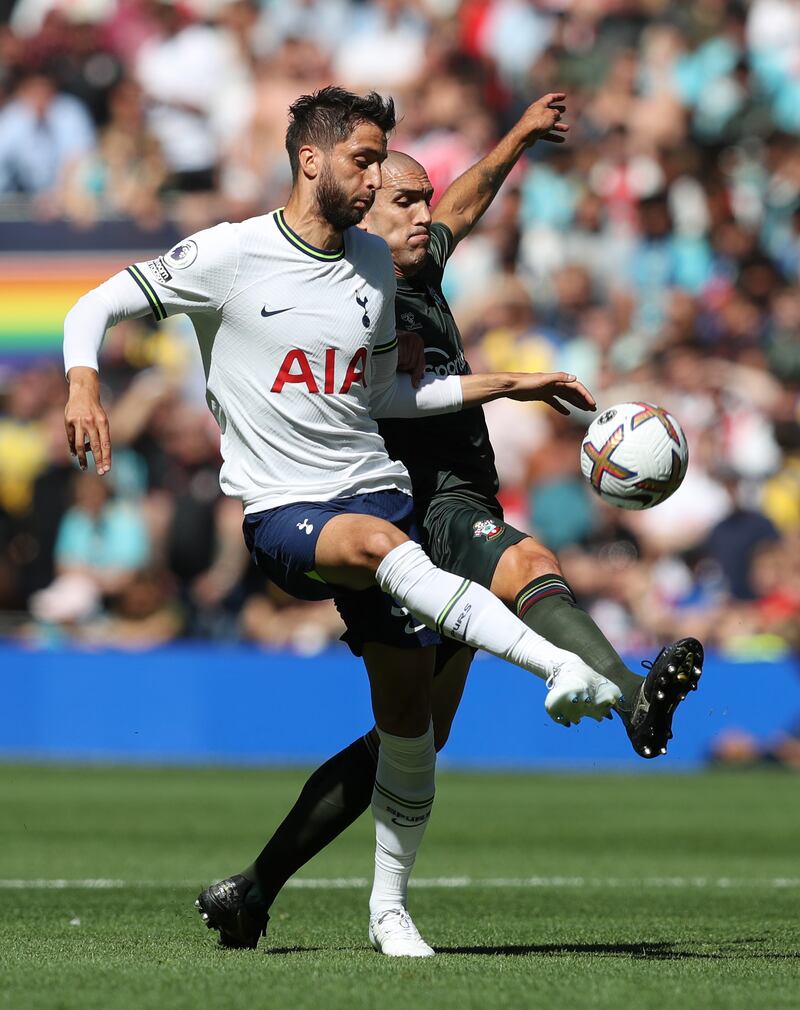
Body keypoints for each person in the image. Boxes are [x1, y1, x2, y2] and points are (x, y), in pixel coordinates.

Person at [63, 86, 622, 958]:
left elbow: (388, 396)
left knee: (412, 732)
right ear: (311, 160)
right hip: (288, 511)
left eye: (379, 162)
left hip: (377, 492)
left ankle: (386, 909)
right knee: (382, 547)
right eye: (364, 161)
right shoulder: (231, 253)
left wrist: (509, 384)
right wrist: (83, 379)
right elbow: (91, 305)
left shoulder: (371, 266)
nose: (373, 178)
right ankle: (560, 666)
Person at [194, 94, 704, 954]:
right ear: (362, 203)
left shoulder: (417, 262)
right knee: (525, 558)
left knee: (411, 738)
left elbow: (462, 202)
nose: (428, 216)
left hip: (455, 488)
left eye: (426, 202)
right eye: (405, 199)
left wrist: (513, 138)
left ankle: (255, 889)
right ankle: (627, 694)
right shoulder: (354, 285)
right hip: (417, 500)